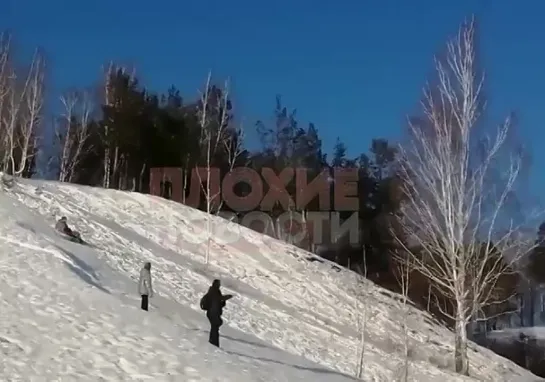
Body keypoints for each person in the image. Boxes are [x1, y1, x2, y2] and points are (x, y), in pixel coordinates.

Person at [200, 279, 233, 347]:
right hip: (213, 313)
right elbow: (219, 299)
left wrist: (224, 300)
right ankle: (214, 344)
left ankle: (213, 342)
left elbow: (219, 302)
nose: (219, 285)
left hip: (212, 313)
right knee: (215, 328)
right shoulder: (214, 292)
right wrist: (226, 298)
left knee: (215, 327)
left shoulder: (213, 291)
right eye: (218, 284)